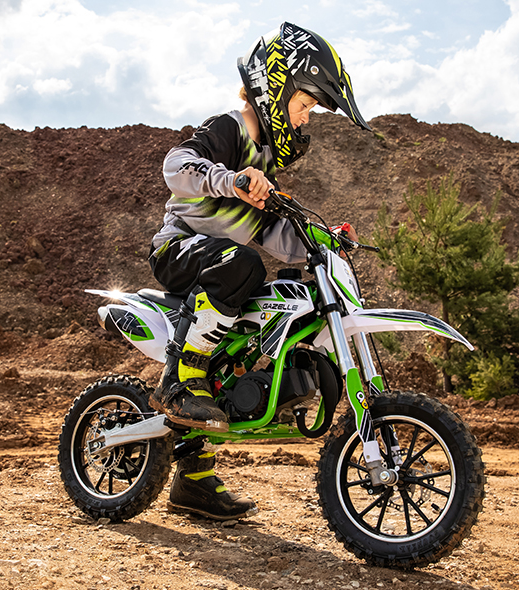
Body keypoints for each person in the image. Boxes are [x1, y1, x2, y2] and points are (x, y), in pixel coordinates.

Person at [148, 22, 374, 520]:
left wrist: (326, 243)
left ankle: (195, 481)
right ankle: (178, 384)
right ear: (276, 87)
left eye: (311, 111)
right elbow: (175, 164)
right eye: (304, 105)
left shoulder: (266, 168)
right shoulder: (229, 130)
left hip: (222, 268)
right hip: (179, 251)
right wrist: (230, 180)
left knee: (278, 296)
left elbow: (278, 236)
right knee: (244, 264)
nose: (306, 119)